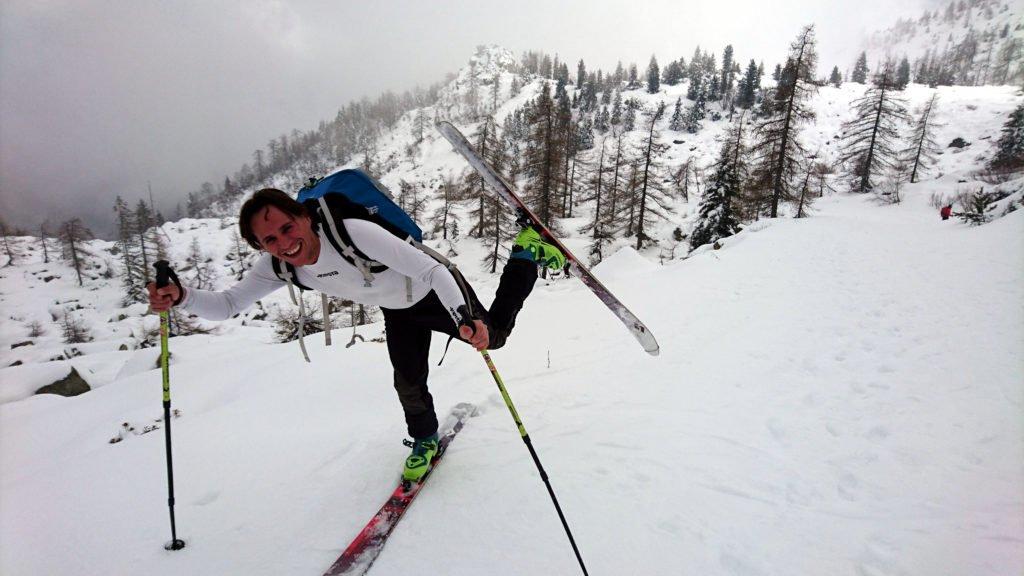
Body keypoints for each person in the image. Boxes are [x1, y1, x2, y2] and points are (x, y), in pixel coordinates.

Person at [148, 187, 565, 483]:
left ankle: (526, 250)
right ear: (262, 246)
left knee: (495, 336)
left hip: (434, 293)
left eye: (287, 227)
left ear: (303, 217)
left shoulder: (353, 233)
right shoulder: (281, 266)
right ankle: (424, 441)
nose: (284, 243)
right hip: (398, 310)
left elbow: (432, 269)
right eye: (270, 240)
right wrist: (181, 296)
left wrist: (465, 318)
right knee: (407, 382)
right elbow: (226, 305)